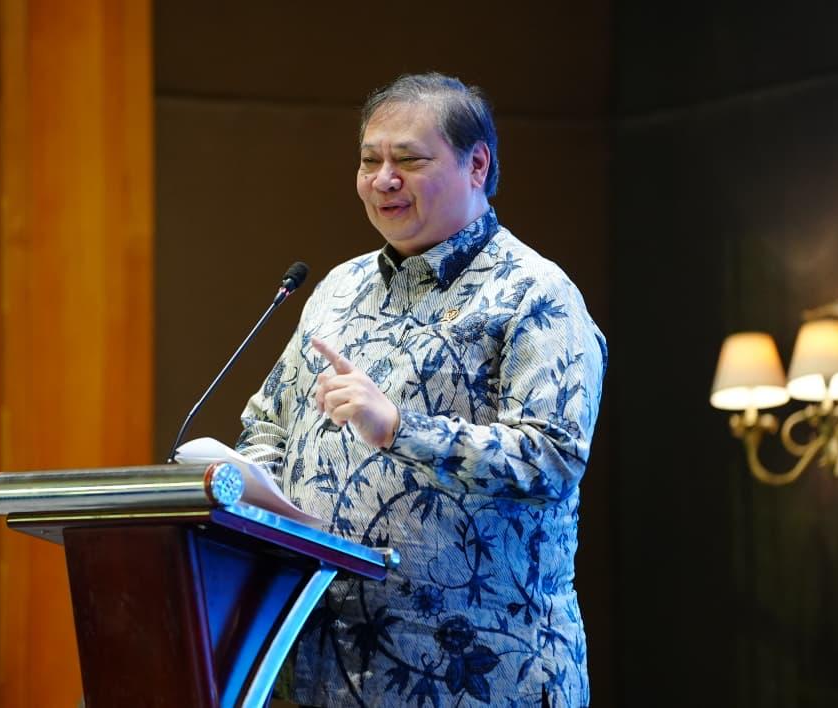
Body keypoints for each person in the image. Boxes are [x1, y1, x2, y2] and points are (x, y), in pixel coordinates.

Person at [237, 72, 606, 708]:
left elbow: (551, 458)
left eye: (408, 160)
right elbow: (268, 426)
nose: (383, 179)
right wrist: (252, 493)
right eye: (369, 161)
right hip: (322, 669)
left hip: (481, 676)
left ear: (476, 165)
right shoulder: (337, 290)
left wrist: (401, 430)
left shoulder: (536, 294)